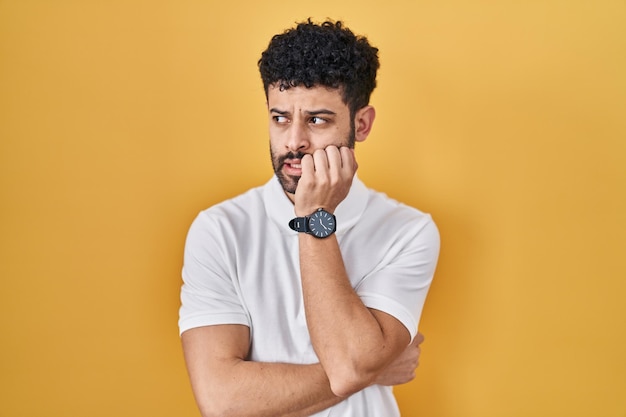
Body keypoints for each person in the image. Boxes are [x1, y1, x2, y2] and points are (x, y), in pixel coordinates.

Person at [178, 19, 440, 417]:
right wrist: (372, 369)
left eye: (317, 120)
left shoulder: (407, 231)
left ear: (362, 124)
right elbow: (222, 400)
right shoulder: (219, 230)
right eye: (280, 118)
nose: (294, 140)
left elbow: (351, 361)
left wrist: (316, 216)